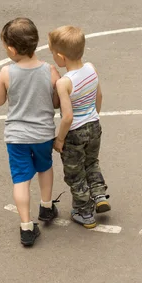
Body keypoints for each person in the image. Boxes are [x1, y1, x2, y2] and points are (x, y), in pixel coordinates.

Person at [0, 17, 61, 247]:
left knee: (21, 180)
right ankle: (47, 206)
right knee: (45, 168)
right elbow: (56, 101)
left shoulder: (6, 73)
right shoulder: (50, 71)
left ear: (11, 49)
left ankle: (26, 227)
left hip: (17, 138)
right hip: (43, 135)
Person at [48, 25, 110, 229]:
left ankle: (84, 212)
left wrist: (60, 139)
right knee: (91, 163)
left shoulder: (64, 82)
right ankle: (99, 194)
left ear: (60, 56)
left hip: (75, 132)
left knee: (75, 173)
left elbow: (67, 116)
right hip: (94, 125)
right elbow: (99, 96)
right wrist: (94, 117)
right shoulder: (91, 68)